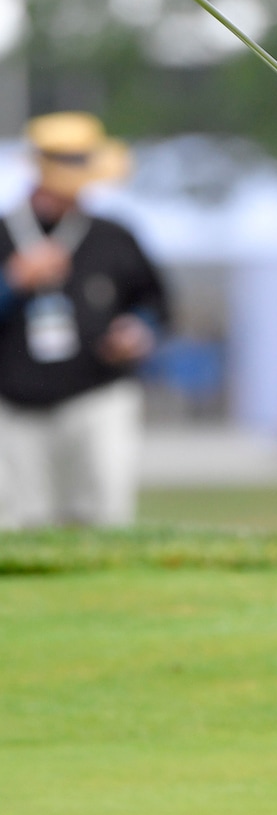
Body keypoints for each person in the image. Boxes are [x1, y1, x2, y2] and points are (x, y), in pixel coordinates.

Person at [0, 112, 169, 527]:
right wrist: (13, 283)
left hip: (97, 392)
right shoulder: (6, 233)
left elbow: (154, 301)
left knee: (102, 512)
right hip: (14, 402)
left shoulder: (113, 236)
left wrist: (138, 329)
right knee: (22, 520)